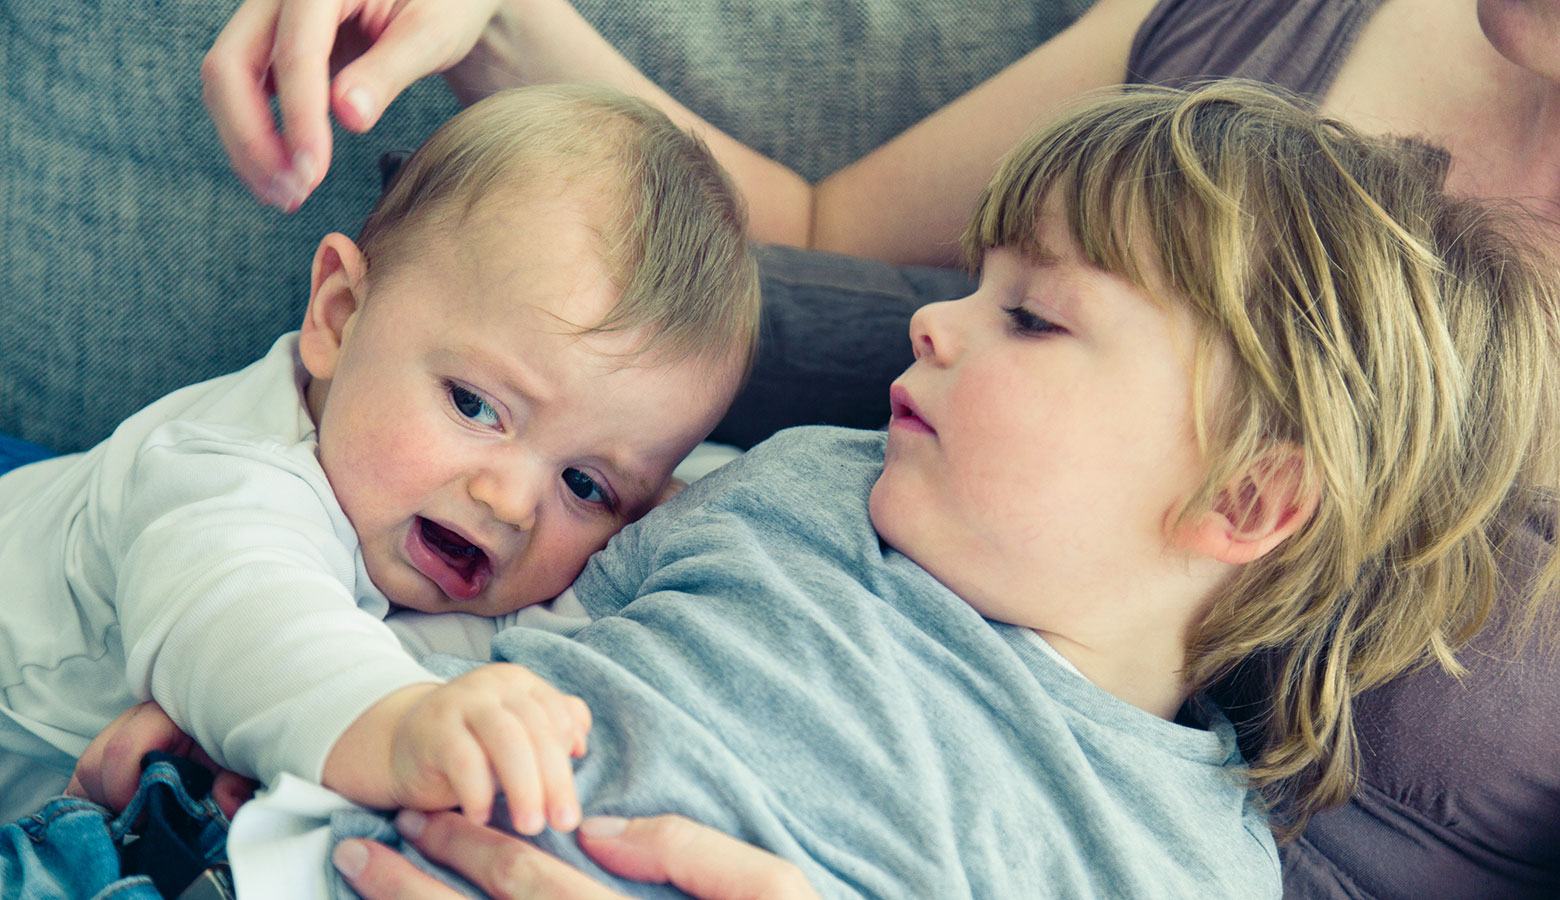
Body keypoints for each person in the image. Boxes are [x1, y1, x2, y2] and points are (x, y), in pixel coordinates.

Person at [104, 82, 1560, 899]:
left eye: (1032, 319)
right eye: (973, 287)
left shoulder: (1177, 860)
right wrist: (314, 694)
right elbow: (508, 639)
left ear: (1249, 501)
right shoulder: (803, 487)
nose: (931, 323)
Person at [0, 83, 760, 830]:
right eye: (474, 405)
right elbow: (244, 613)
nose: (512, 501)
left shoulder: (461, 540)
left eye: (584, 484)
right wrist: (398, 724)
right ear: (338, 317)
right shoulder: (222, 476)